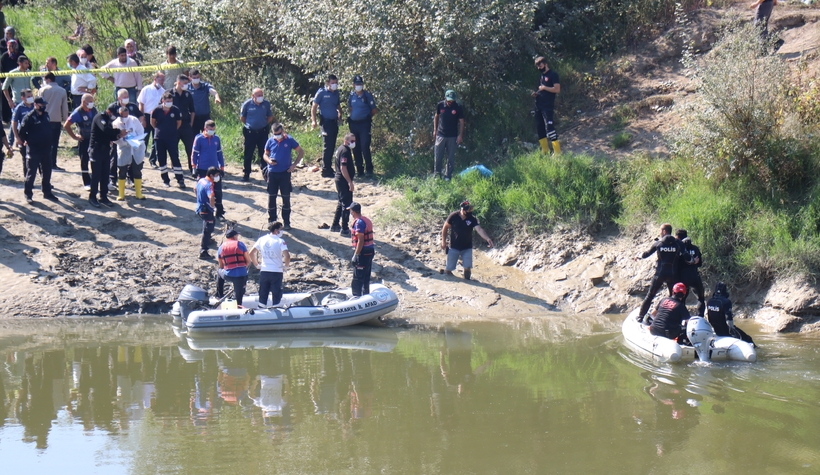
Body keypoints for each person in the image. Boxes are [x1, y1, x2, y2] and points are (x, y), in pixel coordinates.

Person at [634, 223, 690, 322]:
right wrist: (694, 260)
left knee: (650, 296)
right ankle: (677, 320)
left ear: (664, 231)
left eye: (660, 231)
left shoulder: (658, 243)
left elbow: (647, 253)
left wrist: (638, 256)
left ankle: (640, 317)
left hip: (659, 274)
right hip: (673, 275)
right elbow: (687, 257)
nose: (660, 233)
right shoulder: (678, 243)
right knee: (675, 298)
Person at [18, 97, 60, 203]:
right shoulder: (29, 117)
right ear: (36, 105)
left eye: (44, 104)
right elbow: (22, 133)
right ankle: (28, 194)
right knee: (31, 173)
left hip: (46, 149)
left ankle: (47, 192)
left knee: (47, 172)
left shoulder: (46, 115)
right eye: (41, 105)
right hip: (34, 150)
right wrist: (27, 141)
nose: (43, 107)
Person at [262, 123, 303, 229]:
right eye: (275, 134)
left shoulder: (289, 140)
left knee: (286, 198)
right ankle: (272, 221)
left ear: (282, 131)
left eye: (279, 133)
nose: (277, 135)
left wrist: (294, 165)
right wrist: (269, 161)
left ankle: (287, 221)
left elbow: (301, 152)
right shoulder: (270, 140)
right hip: (272, 172)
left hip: (285, 173)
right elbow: (265, 154)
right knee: (272, 198)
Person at [440, 200, 493, 280]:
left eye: (470, 210)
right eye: (468, 210)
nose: (469, 212)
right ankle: (446, 274)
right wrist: (443, 241)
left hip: (467, 247)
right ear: (462, 209)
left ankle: (467, 281)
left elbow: (479, 229)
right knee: (448, 270)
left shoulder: (472, 219)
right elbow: (445, 227)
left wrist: (487, 238)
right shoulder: (453, 216)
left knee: (467, 268)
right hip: (454, 246)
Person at [88, 104, 125, 207]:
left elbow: (109, 135)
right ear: (109, 111)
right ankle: (92, 197)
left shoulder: (109, 120)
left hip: (105, 150)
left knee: (105, 174)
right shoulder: (99, 117)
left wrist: (118, 136)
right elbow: (105, 130)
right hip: (96, 150)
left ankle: (103, 196)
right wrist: (118, 131)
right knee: (96, 175)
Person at [106, 88, 144, 189]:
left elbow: (140, 116)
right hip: (117, 137)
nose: (126, 99)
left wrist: (137, 126)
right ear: (119, 98)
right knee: (115, 158)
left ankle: (131, 178)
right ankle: (113, 179)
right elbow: (107, 121)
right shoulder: (113, 107)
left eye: (127, 97)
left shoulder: (132, 106)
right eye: (124, 97)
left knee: (132, 158)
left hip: (132, 138)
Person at [250, 221, 291, 307]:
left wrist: (256, 264)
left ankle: (261, 308)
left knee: (263, 292)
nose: (282, 231)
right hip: (276, 271)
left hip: (264, 271)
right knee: (276, 293)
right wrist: (286, 266)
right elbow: (287, 256)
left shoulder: (262, 239)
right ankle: (276, 309)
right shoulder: (280, 241)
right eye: (281, 229)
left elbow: (251, 253)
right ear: (276, 230)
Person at [150, 90, 185, 188]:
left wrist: (172, 130)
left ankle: (180, 179)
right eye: (168, 100)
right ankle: (165, 180)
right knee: (162, 159)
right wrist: (159, 130)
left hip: (172, 138)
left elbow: (179, 123)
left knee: (175, 158)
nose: (170, 102)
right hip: (159, 138)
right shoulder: (156, 110)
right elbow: (152, 122)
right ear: (163, 100)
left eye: (171, 100)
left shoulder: (175, 110)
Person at [111, 106, 146, 201]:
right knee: (122, 170)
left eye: (126, 115)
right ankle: (121, 194)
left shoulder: (134, 120)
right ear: (120, 114)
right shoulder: (115, 123)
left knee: (136, 170)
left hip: (136, 148)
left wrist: (135, 140)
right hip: (123, 149)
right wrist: (123, 141)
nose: (125, 117)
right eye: (123, 116)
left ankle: (138, 193)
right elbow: (114, 138)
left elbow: (140, 131)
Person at [36, 72, 69, 171]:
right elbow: (64, 108)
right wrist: (65, 120)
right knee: (54, 143)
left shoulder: (42, 90)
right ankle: (53, 164)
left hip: (43, 120)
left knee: (43, 143)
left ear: (48, 79)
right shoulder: (62, 91)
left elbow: (37, 105)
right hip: (56, 120)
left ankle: (42, 163)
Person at [191, 120, 225, 218]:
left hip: (215, 170)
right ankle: (201, 208)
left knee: (218, 191)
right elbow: (194, 154)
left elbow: (219, 154)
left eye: (214, 129)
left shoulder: (216, 139)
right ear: (205, 129)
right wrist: (194, 167)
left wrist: (221, 168)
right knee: (202, 190)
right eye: (210, 129)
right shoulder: (199, 139)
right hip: (202, 169)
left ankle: (219, 212)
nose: (212, 131)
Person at [311, 74, 341, 178]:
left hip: (334, 122)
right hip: (325, 122)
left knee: (332, 145)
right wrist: (313, 121)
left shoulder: (336, 93)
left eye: (336, 83)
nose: (335, 85)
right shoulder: (321, 93)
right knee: (327, 146)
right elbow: (314, 107)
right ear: (328, 83)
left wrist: (340, 114)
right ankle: (325, 170)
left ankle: (328, 167)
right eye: (332, 83)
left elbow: (338, 106)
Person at [239, 88, 273, 181]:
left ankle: (266, 173)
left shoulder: (266, 104)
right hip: (250, 132)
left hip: (263, 132)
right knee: (248, 153)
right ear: (253, 96)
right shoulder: (247, 104)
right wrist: (251, 124)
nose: (260, 97)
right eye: (258, 95)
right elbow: (242, 117)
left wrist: (263, 124)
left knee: (264, 152)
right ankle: (246, 173)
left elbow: (270, 116)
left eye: (261, 95)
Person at [64, 93, 97, 190]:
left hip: (94, 140)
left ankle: (95, 180)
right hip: (84, 140)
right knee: (84, 160)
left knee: (95, 160)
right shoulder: (77, 113)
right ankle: (86, 182)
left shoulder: (93, 110)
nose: (92, 103)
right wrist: (74, 136)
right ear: (83, 102)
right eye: (90, 101)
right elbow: (66, 125)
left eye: (92, 101)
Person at [347, 75, 377, 178]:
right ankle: (359, 170)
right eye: (357, 84)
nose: (358, 86)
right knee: (355, 147)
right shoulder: (351, 96)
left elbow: (374, 110)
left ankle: (369, 169)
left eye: (360, 84)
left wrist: (366, 118)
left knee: (365, 146)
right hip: (354, 124)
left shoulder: (367, 96)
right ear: (353, 85)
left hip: (364, 124)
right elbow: (351, 108)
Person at [531, 56, 561, 155]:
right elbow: (542, 89)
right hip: (538, 104)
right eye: (537, 66)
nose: (539, 67)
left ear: (545, 63)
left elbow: (557, 89)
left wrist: (544, 87)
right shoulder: (541, 77)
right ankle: (545, 151)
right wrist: (537, 93)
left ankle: (557, 152)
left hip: (547, 106)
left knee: (549, 126)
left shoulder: (553, 74)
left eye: (540, 65)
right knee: (540, 127)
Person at [433, 90, 464, 180]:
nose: (450, 102)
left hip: (452, 136)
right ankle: (437, 176)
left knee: (450, 157)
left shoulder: (458, 107)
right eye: (449, 100)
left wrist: (460, 135)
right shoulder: (440, 105)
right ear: (445, 98)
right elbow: (436, 116)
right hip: (440, 135)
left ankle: (448, 176)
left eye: (452, 100)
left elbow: (462, 122)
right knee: (438, 157)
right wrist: (435, 130)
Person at [137, 71, 165, 168]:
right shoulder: (146, 89)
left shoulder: (163, 91)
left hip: (157, 117)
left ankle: (153, 160)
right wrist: (142, 118)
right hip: (147, 115)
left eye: (163, 80)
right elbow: (141, 103)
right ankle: (140, 159)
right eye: (160, 79)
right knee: (144, 139)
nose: (162, 81)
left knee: (155, 139)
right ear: (155, 79)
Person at [217, 228, 250, 307]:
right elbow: (248, 260)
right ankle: (238, 306)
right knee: (238, 297)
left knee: (219, 271)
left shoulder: (221, 247)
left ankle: (219, 295)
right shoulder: (240, 244)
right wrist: (243, 268)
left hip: (228, 275)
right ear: (234, 236)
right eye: (237, 235)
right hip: (241, 275)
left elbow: (221, 265)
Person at [330, 132, 356, 236]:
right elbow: (343, 168)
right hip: (343, 180)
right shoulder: (345, 151)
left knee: (341, 202)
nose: (354, 143)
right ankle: (344, 228)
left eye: (354, 141)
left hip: (339, 179)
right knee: (347, 204)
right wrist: (350, 182)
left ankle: (335, 225)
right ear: (346, 141)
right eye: (352, 141)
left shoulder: (340, 148)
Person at [675, 229, 705, 317]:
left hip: (682, 278)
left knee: (681, 299)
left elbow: (675, 264)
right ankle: (700, 318)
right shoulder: (695, 248)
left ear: (678, 237)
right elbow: (700, 264)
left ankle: (682, 319)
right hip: (694, 276)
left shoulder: (679, 249)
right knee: (701, 298)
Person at [171, 74, 196, 177]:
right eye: (185, 83)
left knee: (190, 147)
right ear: (178, 82)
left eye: (187, 83)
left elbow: (192, 110)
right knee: (173, 148)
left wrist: (191, 123)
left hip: (185, 124)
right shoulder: (169, 93)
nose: (186, 85)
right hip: (173, 125)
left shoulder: (188, 95)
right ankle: (176, 168)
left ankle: (192, 168)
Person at [348, 202, 375, 297]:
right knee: (366, 276)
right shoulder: (366, 220)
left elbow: (361, 240)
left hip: (363, 253)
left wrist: (356, 255)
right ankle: (366, 295)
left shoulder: (359, 223)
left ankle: (357, 297)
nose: (350, 213)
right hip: (370, 251)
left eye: (350, 211)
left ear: (353, 212)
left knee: (358, 277)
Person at [195, 167, 220, 259]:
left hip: (199, 207)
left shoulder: (201, 180)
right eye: (216, 175)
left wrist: (199, 199)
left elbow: (195, 189)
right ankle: (203, 251)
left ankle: (208, 240)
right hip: (206, 210)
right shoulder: (209, 185)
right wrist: (213, 207)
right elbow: (211, 197)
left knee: (211, 222)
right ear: (211, 175)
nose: (218, 177)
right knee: (207, 228)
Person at [187, 69, 221, 136]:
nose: (196, 79)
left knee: (210, 137)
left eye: (198, 77)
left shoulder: (205, 86)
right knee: (193, 139)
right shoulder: (187, 87)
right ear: (190, 78)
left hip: (205, 117)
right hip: (193, 118)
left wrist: (216, 96)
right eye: (194, 78)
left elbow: (212, 91)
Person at [10, 87, 33, 174]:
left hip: (34, 134)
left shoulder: (35, 106)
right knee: (26, 158)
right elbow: (14, 123)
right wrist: (17, 137)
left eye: (31, 96)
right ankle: (27, 178)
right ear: (23, 98)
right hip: (23, 134)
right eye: (28, 96)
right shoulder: (19, 108)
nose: (30, 98)